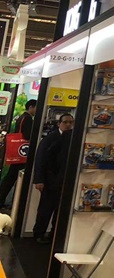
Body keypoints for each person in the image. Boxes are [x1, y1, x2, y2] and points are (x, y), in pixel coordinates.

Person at [32, 113, 74, 244]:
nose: (68, 125)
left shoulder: (73, 139)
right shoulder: (50, 139)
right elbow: (40, 160)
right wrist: (39, 179)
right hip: (50, 180)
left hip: (64, 180)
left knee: (60, 210)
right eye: (65, 122)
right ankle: (38, 234)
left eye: (71, 122)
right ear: (59, 124)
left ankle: (54, 234)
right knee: (45, 209)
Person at [0, 99, 37, 210]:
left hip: (18, 152)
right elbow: (27, 135)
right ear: (31, 107)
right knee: (13, 177)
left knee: (11, 177)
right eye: (36, 107)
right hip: (21, 153)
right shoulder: (27, 118)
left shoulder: (21, 117)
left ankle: (2, 199)